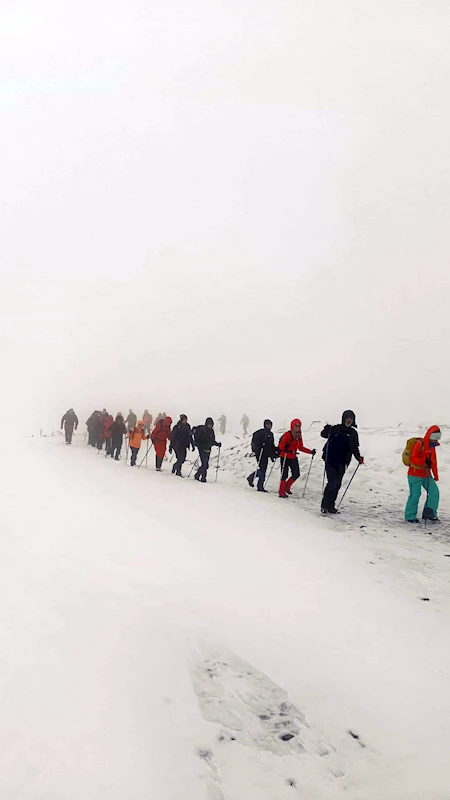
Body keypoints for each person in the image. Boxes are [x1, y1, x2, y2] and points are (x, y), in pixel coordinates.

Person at [320, 410, 363, 514]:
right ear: (343, 418)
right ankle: (325, 505)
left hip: (343, 462)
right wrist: (326, 429)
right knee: (332, 483)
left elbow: (354, 448)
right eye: (347, 418)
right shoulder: (335, 428)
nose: (349, 420)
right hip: (330, 460)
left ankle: (331, 506)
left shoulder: (353, 433)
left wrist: (359, 457)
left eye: (351, 419)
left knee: (337, 484)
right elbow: (323, 434)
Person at [405, 425, 441, 523]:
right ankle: (410, 515)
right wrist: (424, 461)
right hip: (414, 474)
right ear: (429, 435)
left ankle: (429, 512)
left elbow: (433, 461)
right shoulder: (419, 444)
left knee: (434, 492)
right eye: (435, 436)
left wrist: (435, 474)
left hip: (426, 474)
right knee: (415, 495)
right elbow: (413, 459)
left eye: (438, 436)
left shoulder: (432, 446)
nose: (436, 439)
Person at [278, 419, 315, 498]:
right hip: (285, 456)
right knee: (284, 474)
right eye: (296, 426)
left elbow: (300, 447)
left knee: (296, 474)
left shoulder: (299, 436)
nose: (297, 427)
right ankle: (281, 492)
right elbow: (280, 446)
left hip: (293, 456)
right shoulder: (287, 434)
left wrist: (311, 452)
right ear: (292, 426)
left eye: (299, 426)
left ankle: (286, 487)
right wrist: (285, 446)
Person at [247, 419, 278, 492]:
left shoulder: (270, 434)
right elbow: (256, 443)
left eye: (270, 425)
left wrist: (275, 452)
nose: (269, 426)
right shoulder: (260, 433)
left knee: (263, 470)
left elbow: (271, 445)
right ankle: (255, 482)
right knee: (262, 470)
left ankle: (256, 482)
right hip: (260, 454)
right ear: (265, 425)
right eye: (268, 424)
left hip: (265, 454)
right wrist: (259, 448)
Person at [193, 417, 221, 482]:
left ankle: (198, 474)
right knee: (205, 464)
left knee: (205, 465)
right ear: (206, 424)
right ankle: (203, 478)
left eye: (211, 424)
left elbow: (212, 441)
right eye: (209, 424)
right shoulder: (202, 430)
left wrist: (218, 444)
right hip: (202, 449)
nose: (210, 426)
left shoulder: (211, 431)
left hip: (208, 450)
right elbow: (198, 440)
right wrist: (200, 445)